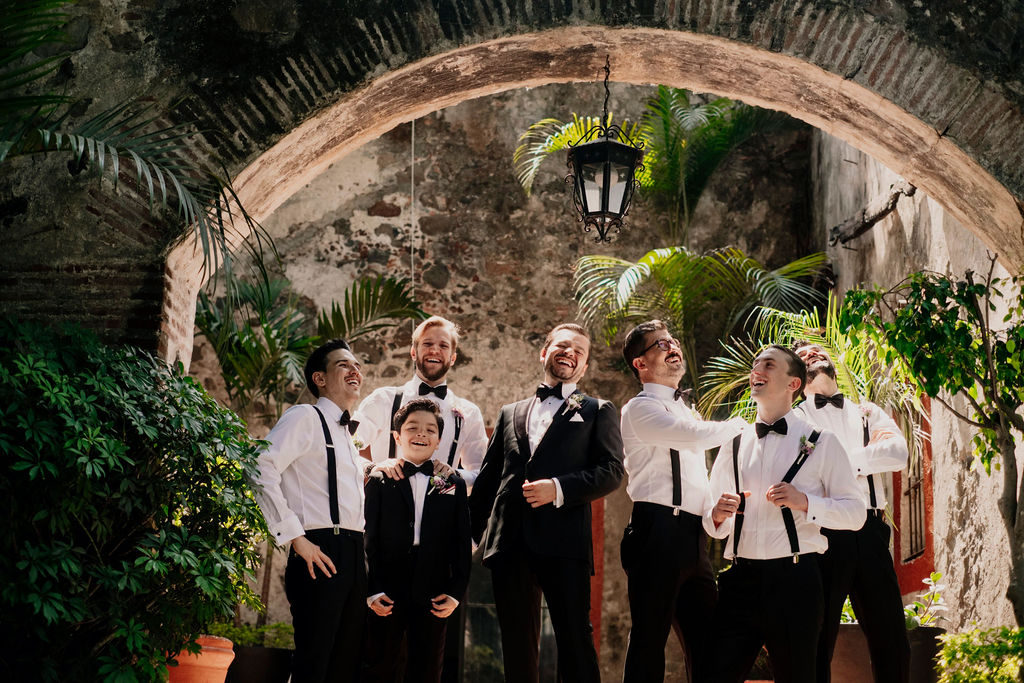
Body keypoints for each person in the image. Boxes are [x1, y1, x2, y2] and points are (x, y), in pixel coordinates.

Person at [469, 323, 625, 683]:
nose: (569, 352)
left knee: (574, 641)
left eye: (579, 351)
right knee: (517, 646)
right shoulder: (510, 412)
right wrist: (468, 538)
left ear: (584, 366)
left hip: (565, 542)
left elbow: (612, 471)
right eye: (562, 345)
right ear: (544, 352)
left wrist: (557, 488)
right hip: (510, 544)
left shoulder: (598, 410)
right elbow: (490, 482)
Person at [704, 345, 866, 683]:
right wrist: (718, 514)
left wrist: (807, 502)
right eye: (755, 364)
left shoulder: (821, 442)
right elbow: (713, 524)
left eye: (769, 364)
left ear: (794, 384)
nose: (757, 370)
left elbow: (855, 514)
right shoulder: (734, 444)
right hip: (740, 581)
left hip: (796, 581)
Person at [618, 320, 746, 683]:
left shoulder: (689, 410)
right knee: (649, 640)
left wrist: (713, 514)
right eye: (660, 344)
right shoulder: (639, 409)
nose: (672, 346)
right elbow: (689, 437)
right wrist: (740, 425)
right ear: (640, 364)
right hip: (654, 531)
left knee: (708, 643)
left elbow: (698, 480)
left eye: (672, 341)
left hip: (693, 538)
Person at [793, 342, 911, 683]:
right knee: (820, 639)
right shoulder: (797, 419)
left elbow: (897, 453)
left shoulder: (867, 412)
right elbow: (805, 469)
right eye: (803, 356)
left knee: (892, 638)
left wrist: (838, 462)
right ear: (797, 378)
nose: (813, 354)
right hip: (826, 534)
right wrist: (863, 457)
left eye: (817, 349)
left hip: (873, 532)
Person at [252, 339, 367, 683]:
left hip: (353, 554)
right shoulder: (305, 416)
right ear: (319, 378)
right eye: (344, 365)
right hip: (319, 550)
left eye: (357, 364)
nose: (355, 370)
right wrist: (296, 539)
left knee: (345, 664)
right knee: (314, 663)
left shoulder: (347, 434)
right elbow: (260, 466)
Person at [362, 399, 472, 683]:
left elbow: (461, 541)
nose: (421, 434)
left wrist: (456, 591)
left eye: (430, 430)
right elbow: (368, 538)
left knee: (427, 669)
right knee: (381, 665)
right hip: (388, 586)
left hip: (434, 588)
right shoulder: (380, 478)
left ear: (438, 441)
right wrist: (372, 589)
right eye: (412, 428)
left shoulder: (451, 481)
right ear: (397, 437)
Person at [355, 315, 487, 486]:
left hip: (441, 510)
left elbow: (481, 472)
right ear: (413, 352)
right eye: (427, 344)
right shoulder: (382, 400)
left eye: (443, 345)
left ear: (453, 358)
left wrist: (455, 474)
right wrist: (371, 468)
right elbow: (345, 446)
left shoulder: (469, 412)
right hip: (387, 507)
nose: (434, 350)